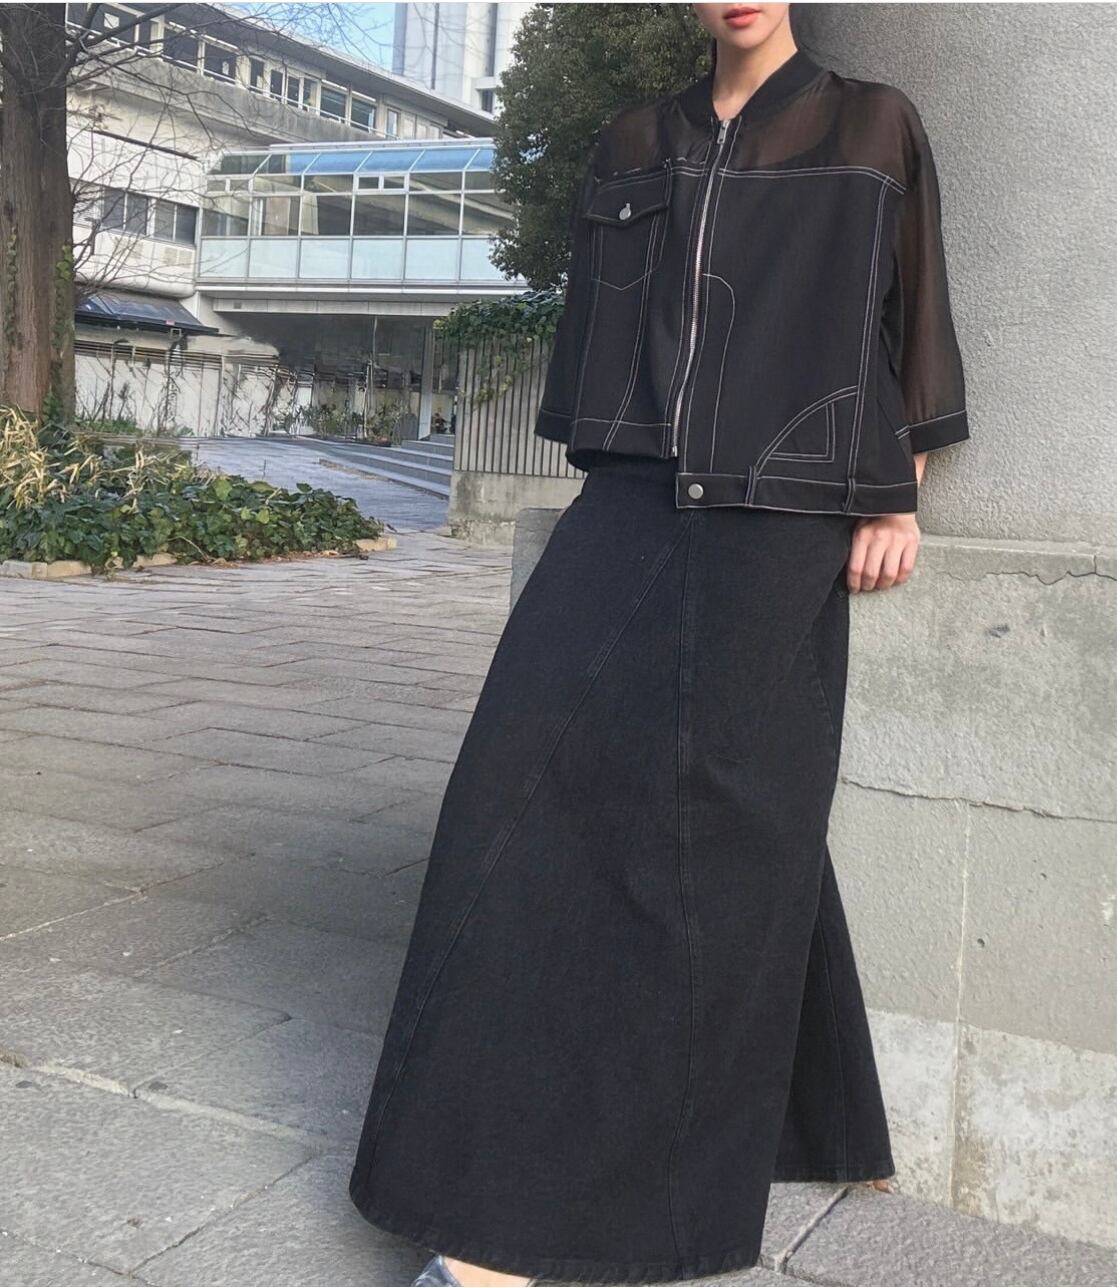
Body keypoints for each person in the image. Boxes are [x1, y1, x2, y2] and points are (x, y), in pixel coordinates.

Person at [348, 4, 970, 1285]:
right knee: (512, 792)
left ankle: (546, 1233)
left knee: (722, 830)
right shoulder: (634, 139)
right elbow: (604, 328)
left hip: (787, 508)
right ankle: (493, 1179)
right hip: (631, 495)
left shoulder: (873, 124)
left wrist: (896, 491)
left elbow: (913, 312)